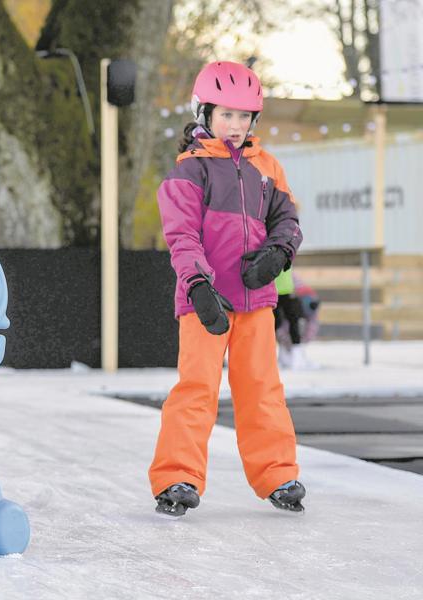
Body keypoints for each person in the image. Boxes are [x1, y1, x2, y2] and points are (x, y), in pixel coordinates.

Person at [149, 61, 307, 517]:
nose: (235, 126)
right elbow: (182, 237)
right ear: (204, 114)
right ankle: (176, 477)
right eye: (225, 115)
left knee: (262, 389)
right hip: (206, 303)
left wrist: (279, 254)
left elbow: (288, 221)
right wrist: (198, 285)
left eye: (244, 117)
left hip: (255, 303)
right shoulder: (189, 172)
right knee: (196, 389)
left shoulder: (267, 168)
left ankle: (279, 475)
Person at [274, 268, 320, 369]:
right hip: (280, 291)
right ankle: (289, 354)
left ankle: (294, 354)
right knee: (280, 324)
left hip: (287, 290)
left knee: (290, 322)